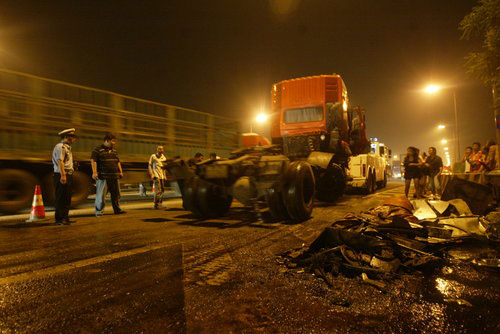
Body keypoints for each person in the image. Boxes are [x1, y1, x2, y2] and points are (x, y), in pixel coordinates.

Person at [91, 133, 125, 216]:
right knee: (101, 195)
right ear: (107, 140)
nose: (114, 143)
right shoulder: (97, 150)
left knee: (116, 194)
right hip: (103, 176)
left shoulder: (114, 151)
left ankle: (117, 210)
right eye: (113, 141)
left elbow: (118, 162)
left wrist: (120, 171)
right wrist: (94, 172)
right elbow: (93, 161)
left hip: (114, 176)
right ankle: (99, 212)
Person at [52, 128, 77, 225]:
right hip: (62, 174)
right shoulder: (60, 147)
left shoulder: (67, 147)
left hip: (68, 174)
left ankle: (65, 218)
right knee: (61, 198)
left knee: (67, 198)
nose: (73, 139)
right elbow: (60, 161)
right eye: (72, 137)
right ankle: (59, 219)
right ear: (66, 137)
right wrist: (63, 175)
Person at [149, 145, 167, 209]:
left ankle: (160, 204)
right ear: (157, 149)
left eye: (161, 149)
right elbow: (150, 165)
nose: (160, 150)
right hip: (156, 176)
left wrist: (164, 175)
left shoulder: (164, 158)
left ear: (163, 150)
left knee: (162, 190)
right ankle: (156, 205)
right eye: (159, 149)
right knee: (157, 191)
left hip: (162, 176)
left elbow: (164, 168)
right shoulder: (153, 156)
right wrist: (152, 174)